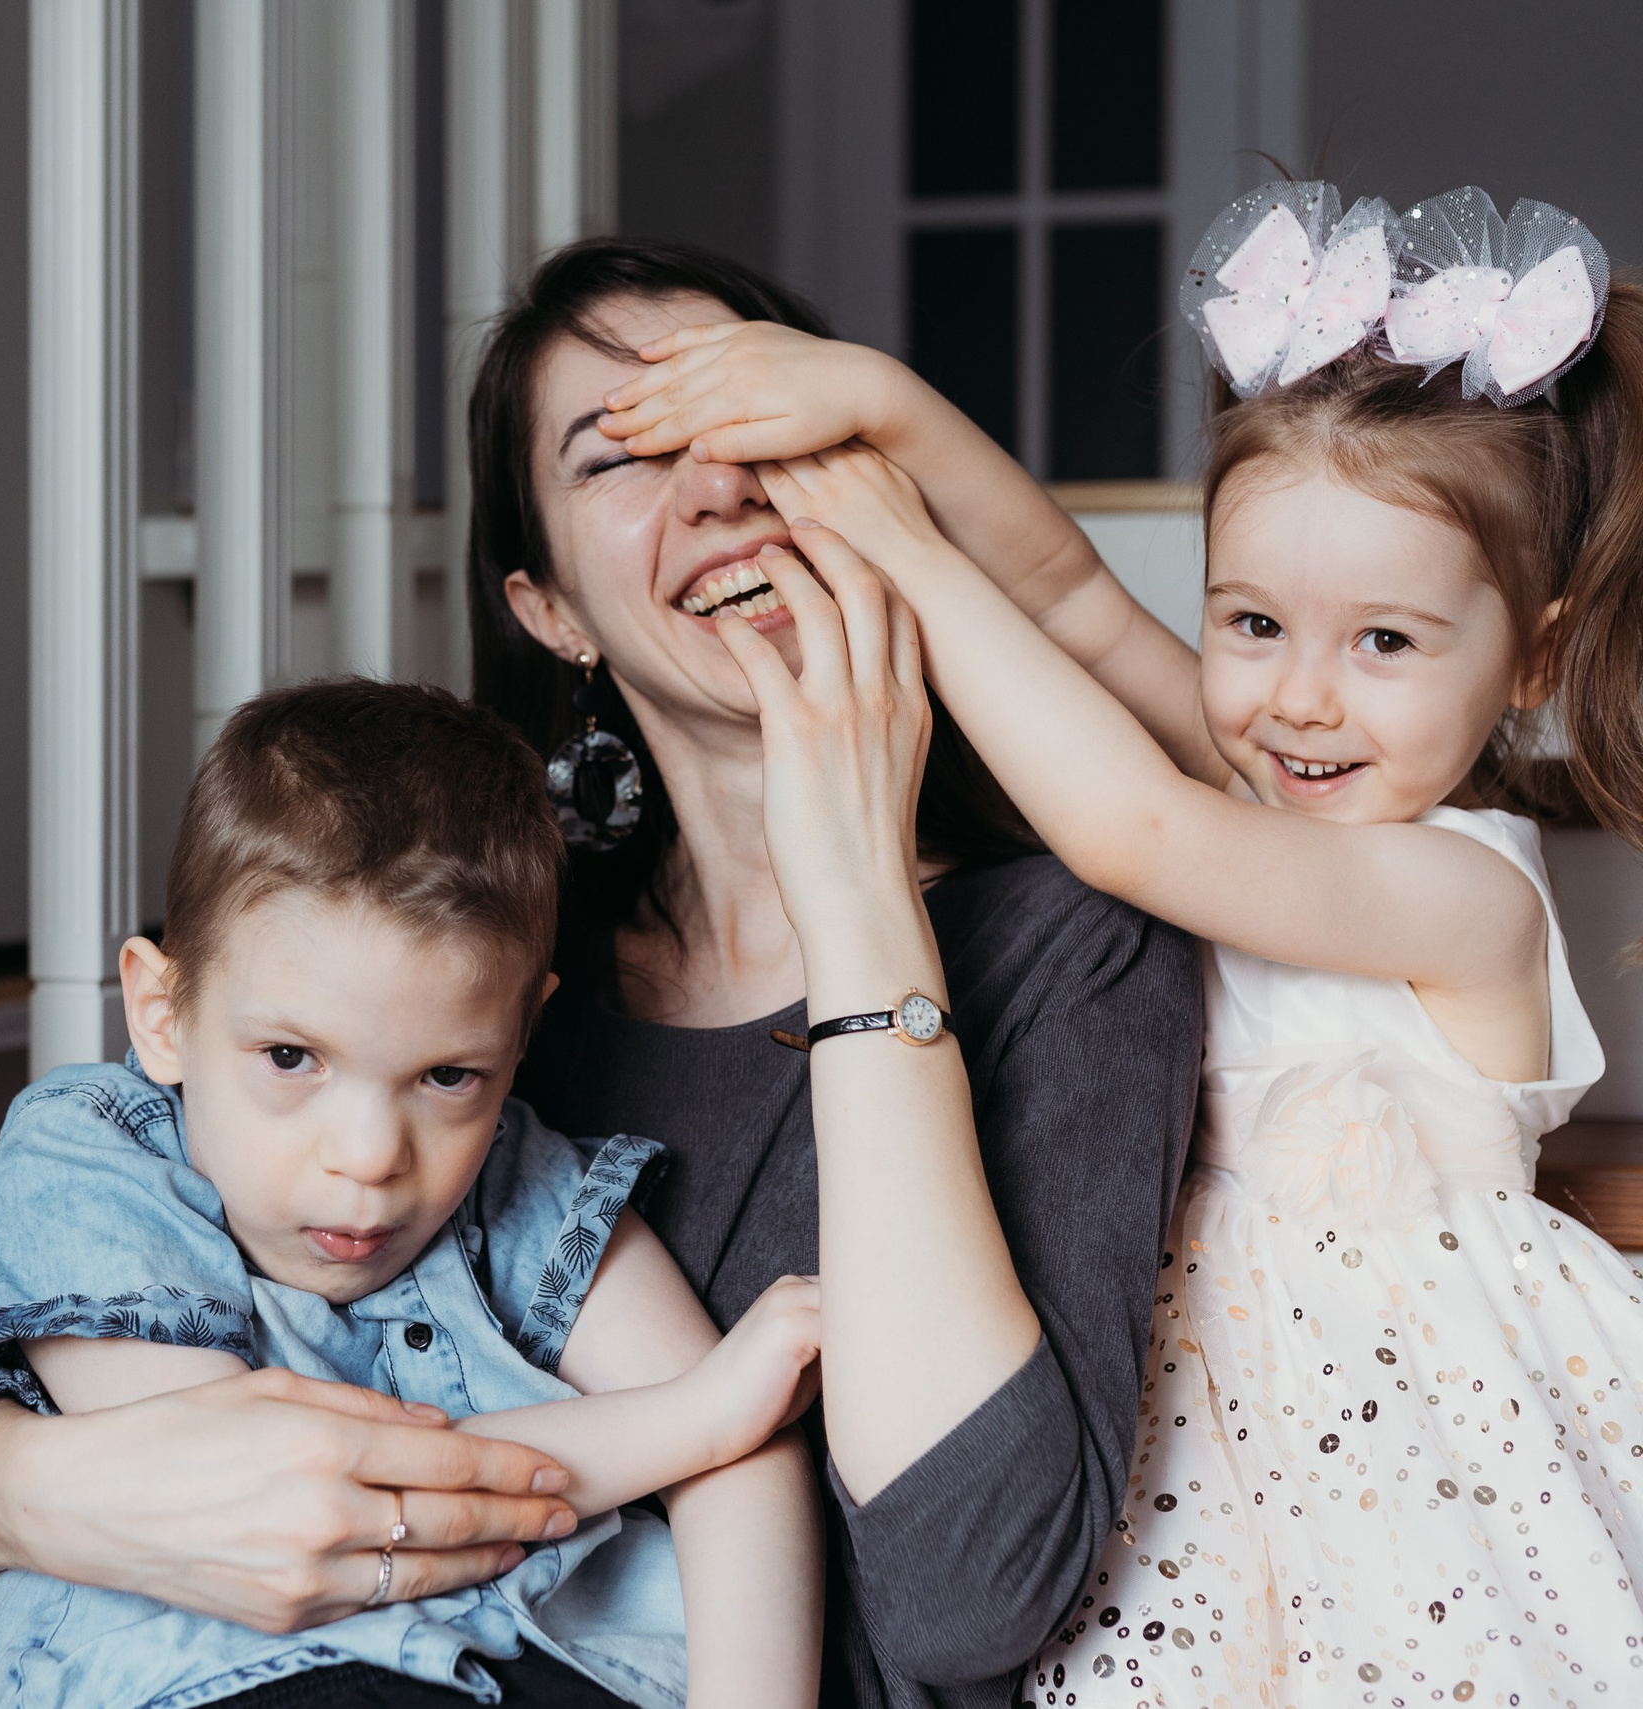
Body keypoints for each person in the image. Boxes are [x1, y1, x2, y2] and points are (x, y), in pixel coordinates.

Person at [0, 239, 1203, 1709]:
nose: (720, 485)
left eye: (762, 425)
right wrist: (53, 1491)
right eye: (621, 457)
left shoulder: (1077, 945)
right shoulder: (469, 956)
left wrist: (858, 888)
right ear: (549, 607)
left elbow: (968, 1601)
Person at [636, 180, 1643, 1706]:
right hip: (1192, 1449)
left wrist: (901, 550)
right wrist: (884, 407)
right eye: (1251, 626)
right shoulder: (1282, 784)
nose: (1300, 698)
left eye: (1385, 641)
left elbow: (1132, 831)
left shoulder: (1465, 892)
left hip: (1399, 1478)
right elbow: (1070, 598)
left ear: (1535, 657)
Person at [0, 677, 826, 1708]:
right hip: (236, 1680)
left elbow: (747, 1454)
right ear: (161, 1009)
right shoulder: (89, 1159)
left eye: (448, 1076)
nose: (368, 1155)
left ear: (519, 1033)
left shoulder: (523, 1184)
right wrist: (689, 1421)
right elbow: (277, 1485)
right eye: (289, 1055)